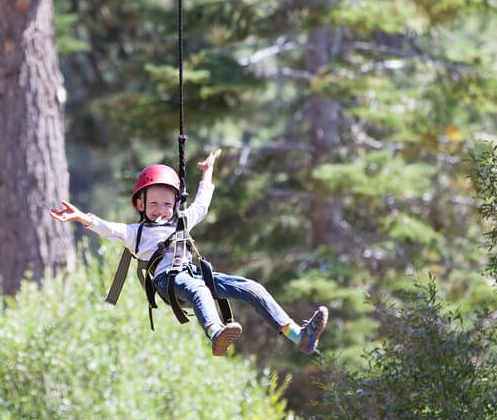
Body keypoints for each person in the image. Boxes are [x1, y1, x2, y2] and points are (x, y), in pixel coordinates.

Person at [50, 149, 328, 357]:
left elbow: (202, 203)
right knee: (198, 290)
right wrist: (81, 218)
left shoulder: (181, 220)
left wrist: (207, 172)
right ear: (141, 204)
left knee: (251, 287)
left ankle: (298, 335)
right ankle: (216, 332)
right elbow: (106, 228)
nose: (161, 209)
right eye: (154, 203)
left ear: (174, 204)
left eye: (167, 203)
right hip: (169, 281)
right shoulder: (136, 233)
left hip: (193, 274)